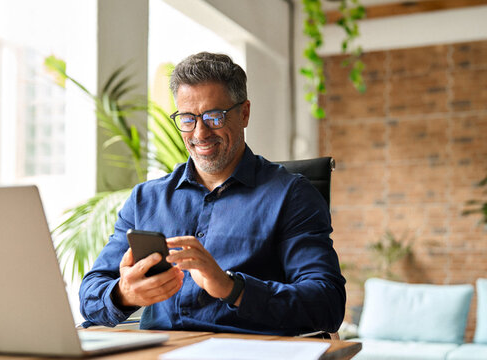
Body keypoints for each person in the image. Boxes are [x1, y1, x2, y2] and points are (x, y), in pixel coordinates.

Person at [79, 52, 346, 335]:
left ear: (244, 113)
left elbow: (327, 303)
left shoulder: (292, 195)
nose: (200, 132)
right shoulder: (146, 199)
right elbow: (90, 293)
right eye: (187, 118)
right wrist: (123, 294)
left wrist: (233, 288)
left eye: (214, 117)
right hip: (161, 352)